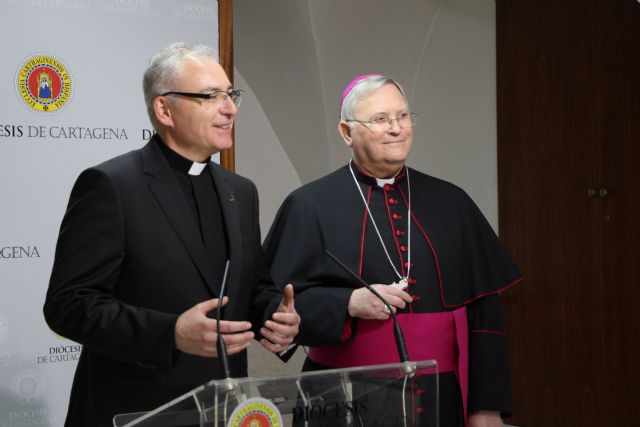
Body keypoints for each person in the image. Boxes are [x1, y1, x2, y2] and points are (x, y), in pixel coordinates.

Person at [44, 42, 300, 427]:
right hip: (134, 408)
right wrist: (170, 334)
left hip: (220, 409)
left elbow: (251, 287)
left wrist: (272, 316)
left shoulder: (241, 191)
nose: (229, 108)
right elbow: (68, 305)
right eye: (210, 96)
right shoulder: (111, 185)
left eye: (230, 95)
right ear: (164, 109)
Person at [263, 74, 521, 427]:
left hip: (441, 395)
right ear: (346, 132)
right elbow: (273, 306)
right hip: (344, 399)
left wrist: (486, 408)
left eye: (403, 116)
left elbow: (485, 317)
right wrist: (347, 304)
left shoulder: (452, 202)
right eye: (381, 119)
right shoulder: (309, 206)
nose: (396, 128)